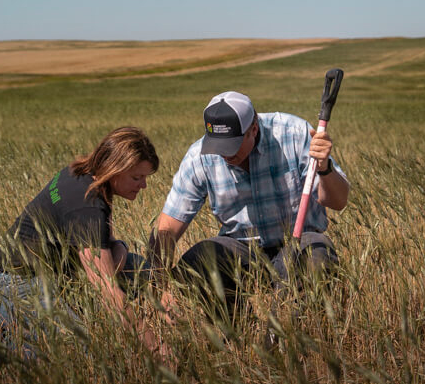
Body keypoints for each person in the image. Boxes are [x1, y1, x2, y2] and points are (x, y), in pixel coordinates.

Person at [150, 91, 350, 319]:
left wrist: (324, 168)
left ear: (253, 129)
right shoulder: (199, 157)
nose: (224, 154)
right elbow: (166, 229)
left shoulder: (294, 134)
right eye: (217, 145)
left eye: (232, 145)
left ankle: (304, 336)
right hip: (241, 249)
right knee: (199, 262)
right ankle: (236, 335)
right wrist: (160, 284)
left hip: (297, 243)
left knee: (317, 256)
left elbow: (338, 201)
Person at [0, 126, 163, 359]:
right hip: (15, 283)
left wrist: (120, 248)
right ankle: (9, 332)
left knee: (138, 268)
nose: (143, 185)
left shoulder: (81, 175)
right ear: (114, 169)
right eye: (137, 177)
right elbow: (107, 291)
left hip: (38, 276)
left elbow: (105, 243)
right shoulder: (87, 205)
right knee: (78, 352)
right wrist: (157, 350)